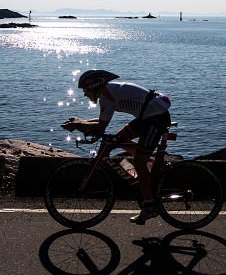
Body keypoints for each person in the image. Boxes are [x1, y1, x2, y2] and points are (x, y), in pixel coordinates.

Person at [62, 69, 172, 225]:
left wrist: (79, 124)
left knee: (138, 162)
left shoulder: (107, 95)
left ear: (94, 85)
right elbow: (102, 120)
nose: (85, 94)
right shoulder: (109, 91)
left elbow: (100, 127)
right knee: (115, 141)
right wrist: (81, 122)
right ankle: (149, 161)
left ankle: (149, 205)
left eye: (85, 90)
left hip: (155, 118)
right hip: (146, 117)